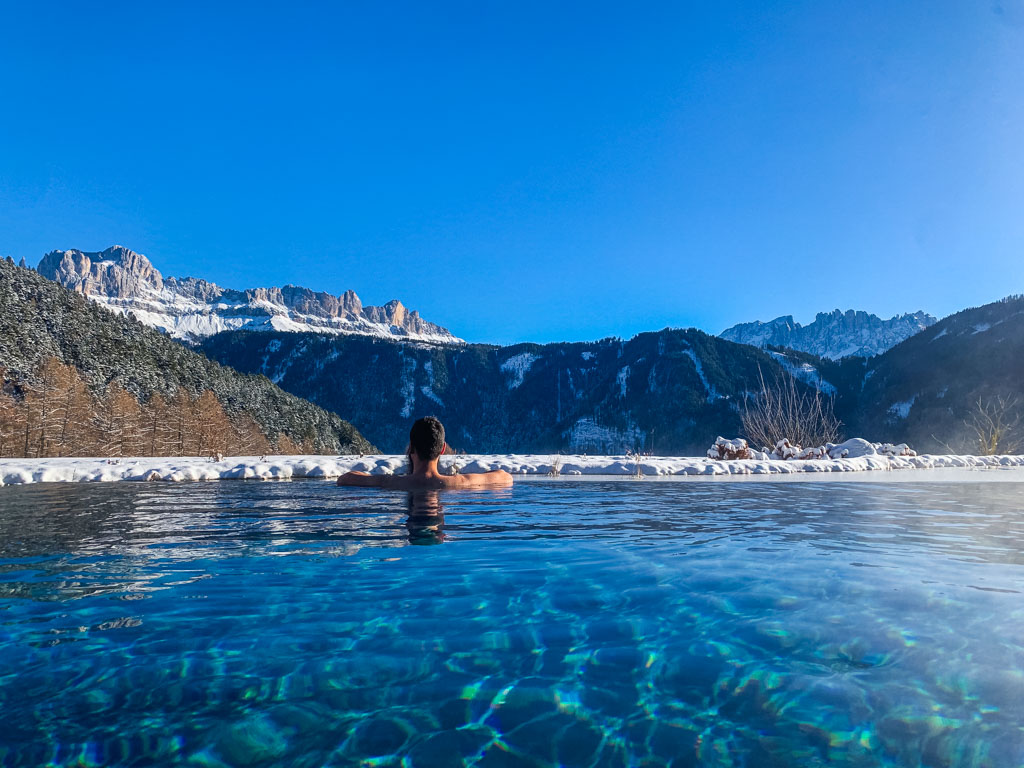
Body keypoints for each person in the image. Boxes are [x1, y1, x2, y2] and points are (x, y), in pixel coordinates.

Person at [337, 416, 513, 490]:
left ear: (411, 447)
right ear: (442, 449)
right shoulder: (459, 483)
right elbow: (506, 477)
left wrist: (380, 480)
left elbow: (344, 479)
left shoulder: (392, 483)